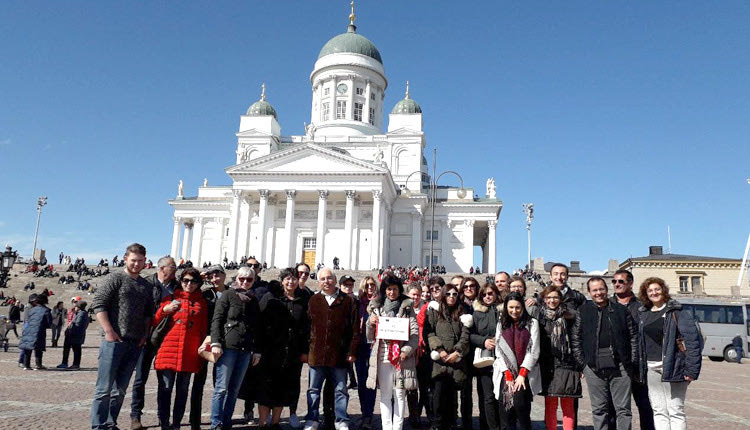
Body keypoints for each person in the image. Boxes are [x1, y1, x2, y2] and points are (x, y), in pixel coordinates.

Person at [91, 243, 155, 430]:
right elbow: (99, 304)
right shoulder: (115, 278)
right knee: (104, 389)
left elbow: (148, 313)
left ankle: (110, 423)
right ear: (125, 258)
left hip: (134, 343)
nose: (136, 264)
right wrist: (109, 331)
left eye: (140, 261)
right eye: (133, 260)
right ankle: (98, 425)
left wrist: (144, 334)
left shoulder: (145, 285)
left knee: (119, 390)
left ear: (145, 262)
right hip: (114, 341)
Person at [637, 277, 702, 430]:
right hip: (651, 367)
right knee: (659, 410)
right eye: (650, 290)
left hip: (674, 366)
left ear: (663, 290)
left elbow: (693, 341)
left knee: (675, 410)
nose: (654, 293)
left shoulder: (677, 312)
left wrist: (691, 370)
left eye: (657, 289)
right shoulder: (644, 313)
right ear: (646, 294)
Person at [573, 277, 638, 430]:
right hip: (593, 367)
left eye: (601, 289)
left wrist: (632, 362)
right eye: (594, 290)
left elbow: (633, 337)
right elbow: (576, 338)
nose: (599, 293)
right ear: (589, 292)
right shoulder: (583, 311)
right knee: (599, 409)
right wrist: (583, 364)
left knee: (623, 409)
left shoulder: (621, 310)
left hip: (620, 366)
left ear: (607, 289)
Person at [304, 267, 360, 430]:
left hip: (339, 353)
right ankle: (312, 419)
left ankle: (341, 419)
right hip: (317, 353)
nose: (326, 282)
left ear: (335, 280)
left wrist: (352, 351)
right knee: (313, 389)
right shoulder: (314, 300)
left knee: (341, 389)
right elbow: (307, 327)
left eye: (329, 278)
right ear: (318, 281)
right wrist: (306, 350)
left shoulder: (347, 301)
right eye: (322, 279)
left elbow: (355, 328)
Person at [153, 268, 209, 430]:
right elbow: (156, 321)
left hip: (189, 353)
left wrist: (202, 351)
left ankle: (176, 424)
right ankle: (164, 423)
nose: (189, 284)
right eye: (186, 280)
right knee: (165, 389)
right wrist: (164, 310)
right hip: (168, 350)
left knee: (182, 391)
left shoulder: (201, 303)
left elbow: (203, 329)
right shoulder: (171, 298)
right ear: (181, 281)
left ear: (198, 284)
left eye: (193, 281)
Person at [209, 266, 263, 430]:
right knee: (221, 388)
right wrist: (216, 343)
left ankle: (226, 422)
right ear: (236, 278)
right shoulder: (227, 295)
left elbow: (256, 326)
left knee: (234, 389)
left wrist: (257, 350)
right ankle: (216, 423)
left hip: (245, 349)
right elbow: (217, 320)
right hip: (228, 347)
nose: (245, 282)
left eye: (249, 280)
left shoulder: (253, 299)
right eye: (242, 279)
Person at [256, 269, 310, 430]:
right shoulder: (270, 298)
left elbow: (306, 327)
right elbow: (259, 323)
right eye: (287, 279)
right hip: (270, 350)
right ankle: (263, 423)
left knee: (282, 387)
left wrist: (304, 350)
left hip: (292, 352)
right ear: (281, 281)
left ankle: (275, 423)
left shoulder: (302, 300)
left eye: (294, 279)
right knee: (267, 387)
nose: (291, 282)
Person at [131, 256, 179, 430]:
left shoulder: (177, 286)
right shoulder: (146, 285)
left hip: (167, 339)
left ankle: (163, 418)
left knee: (165, 382)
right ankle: (135, 416)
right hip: (146, 337)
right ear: (161, 268)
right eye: (172, 267)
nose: (175, 270)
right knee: (140, 379)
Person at [365, 275, 419, 430]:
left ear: (399, 289)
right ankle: (387, 427)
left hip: (401, 359)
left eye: (395, 289)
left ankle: (398, 427)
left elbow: (415, 334)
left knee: (400, 395)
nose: (392, 292)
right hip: (382, 358)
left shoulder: (407, 308)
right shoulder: (377, 308)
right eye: (389, 289)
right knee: (386, 395)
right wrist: (371, 322)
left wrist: (405, 351)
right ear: (384, 290)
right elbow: (369, 336)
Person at [533, 285, 583, 430]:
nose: (552, 300)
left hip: (567, 363)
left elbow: (576, 339)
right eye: (548, 297)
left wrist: (579, 364)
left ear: (560, 299)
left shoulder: (571, 315)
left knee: (568, 405)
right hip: (548, 364)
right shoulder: (539, 315)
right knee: (550, 404)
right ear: (544, 299)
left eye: (555, 297)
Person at [424, 282, 472, 430]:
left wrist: (457, 352)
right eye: (448, 294)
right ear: (443, 295)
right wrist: (439, 349)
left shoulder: (462, 312)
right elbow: (429, 332)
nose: (451, 297)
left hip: (455, 360)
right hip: (440, 360)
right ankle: (437, 424)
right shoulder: (434, 311)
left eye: (454, 294)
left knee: (452, 397)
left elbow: (465, 335)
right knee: (438, 395)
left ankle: (451, 423)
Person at [611, 270, 655, 430]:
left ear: (630, 284)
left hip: (639, 363)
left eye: (621, 281)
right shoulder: (607, 305)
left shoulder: (643, 307)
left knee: (644, 405)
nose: (617, 284)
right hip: (615, 364)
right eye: (614, 281)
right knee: (614, 407)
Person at [491, 292, 541, 430]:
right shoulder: (502, 323)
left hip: (524, 373)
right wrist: (508, 374)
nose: (514, 311)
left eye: (517, 307)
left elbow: (533, 351)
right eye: (511, 307)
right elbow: (499, 351)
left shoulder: (532, 323)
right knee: (505, 412)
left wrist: (521, 375)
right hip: (505, 372)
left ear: (523, 307)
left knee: (521, 408)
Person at [190, 264, 228, 430]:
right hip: (205, 340)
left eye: (217, 275)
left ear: (224, 275)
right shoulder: (205, 293)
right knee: (199, 381)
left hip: (224, 342)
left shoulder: (231, 293)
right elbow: (187, 287)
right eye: (211, 276)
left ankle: (219, 419)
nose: (215, 279)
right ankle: (195, 421)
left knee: (220, 384)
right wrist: (200, 277)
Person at [469, 282, 504, 430]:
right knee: (488, 397)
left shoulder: (503, 311)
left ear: (496, 294)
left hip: (502, 358)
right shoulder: (476, 313)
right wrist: (484, 341)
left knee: (501, 397)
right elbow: (470, 335)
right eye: (484, 294)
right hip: (485, 359)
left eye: (490, 293)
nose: (487, 296)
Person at [355, 276, 379, 430]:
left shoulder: (380, 303)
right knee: (361, 381)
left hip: (374, 347)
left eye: (372, 285)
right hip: (360, 347)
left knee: (371, 382)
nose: (370, 287)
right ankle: (364, 412)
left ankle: (368, 415)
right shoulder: (357, 304)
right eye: (367, 285)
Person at [18, 291, 52, 370]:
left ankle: (26, 365)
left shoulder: (32, 309)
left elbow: (28, 319)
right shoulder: (46, 310)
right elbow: (49, 323)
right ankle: (38, 364)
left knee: (28, 347)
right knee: (38, 348)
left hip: (28, 329)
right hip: (39, 330)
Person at [61, 300, 90, 370]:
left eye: (76, 306)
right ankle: (73, 364)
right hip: (75, 334)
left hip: (76, 335)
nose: (75, 308)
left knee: (76, 350)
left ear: (79, 307)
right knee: (76, 349)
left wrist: (70, 329)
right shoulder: (80, 313)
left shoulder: (82, 314)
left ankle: (76, 364)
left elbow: (77, 324)